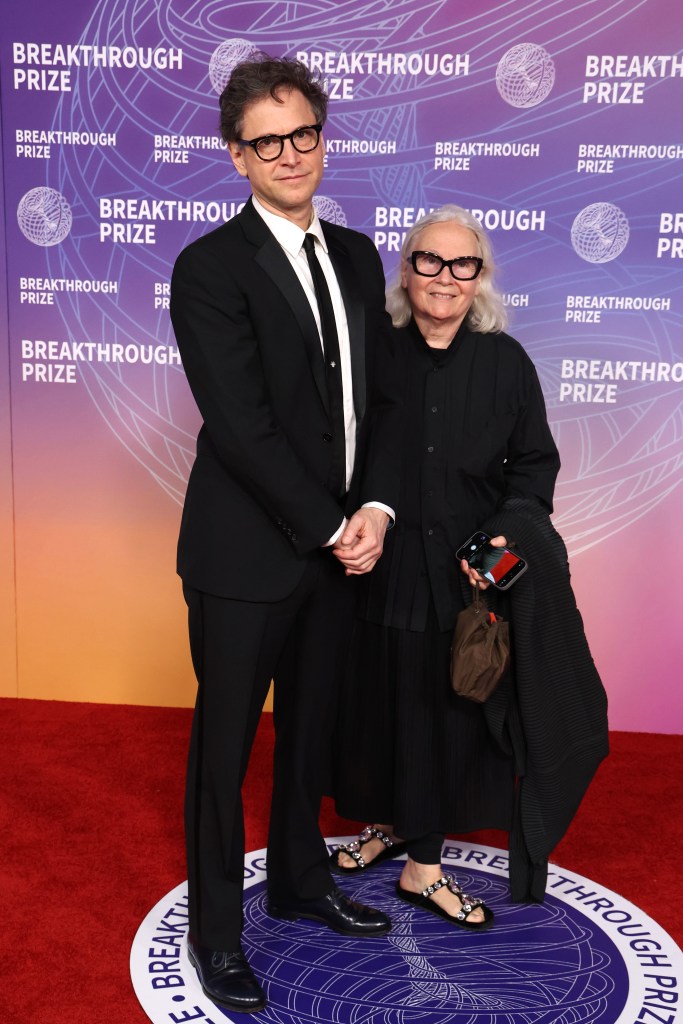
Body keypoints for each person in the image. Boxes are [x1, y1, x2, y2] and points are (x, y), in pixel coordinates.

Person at [170, 56, 401, 1014]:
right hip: (246, 554)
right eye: (267, 142)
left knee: (309, 732)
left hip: (343, 543)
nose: (289, 154)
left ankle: (304, 884)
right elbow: (242, 425)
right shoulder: (209, 268)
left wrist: (375, 511)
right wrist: (327, 527)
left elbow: (379, 400)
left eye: (303, 134)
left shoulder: (353, 252)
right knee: (224, 751)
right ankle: (216, 934)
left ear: (321, 136)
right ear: (237, 156)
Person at [331, 204, 608, 922]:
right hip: (373, 568)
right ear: (406, 267)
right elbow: (337, 448)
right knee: (374, 707)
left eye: (462, 265)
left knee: (437, 717)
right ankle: (390, 827)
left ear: (479, 278)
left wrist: (495, 555)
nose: (444, 278)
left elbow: (534, 469)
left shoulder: (504, 363)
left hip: (462, 577)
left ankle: (423, 867)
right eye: (429, 260)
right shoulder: (373, 350)